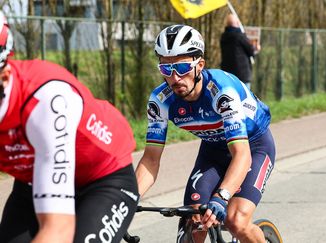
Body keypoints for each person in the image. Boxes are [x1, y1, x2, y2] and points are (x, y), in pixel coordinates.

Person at [0, 11, 138, 243]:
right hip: (35, 179)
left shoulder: (46, 98)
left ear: (4, 73)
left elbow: (58, 230)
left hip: (103, 177)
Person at [135, 24, 275, 243]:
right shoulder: (160, 101)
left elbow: (241, 154)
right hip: (214, 150)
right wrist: (128, 198)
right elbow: (151, 159)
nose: (175, 78)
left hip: (253, 145)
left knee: (235, 221)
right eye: (165, 69)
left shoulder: (221, 92)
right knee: (194, 222)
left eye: (181, 68)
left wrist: (222, 196)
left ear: (199, 65)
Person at [220, 14, 260, 89]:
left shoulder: (223, 37)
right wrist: (256, 48)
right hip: (242, 75)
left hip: (227, 74)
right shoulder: (240, 36)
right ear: (237, 23)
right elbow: (251, 51)